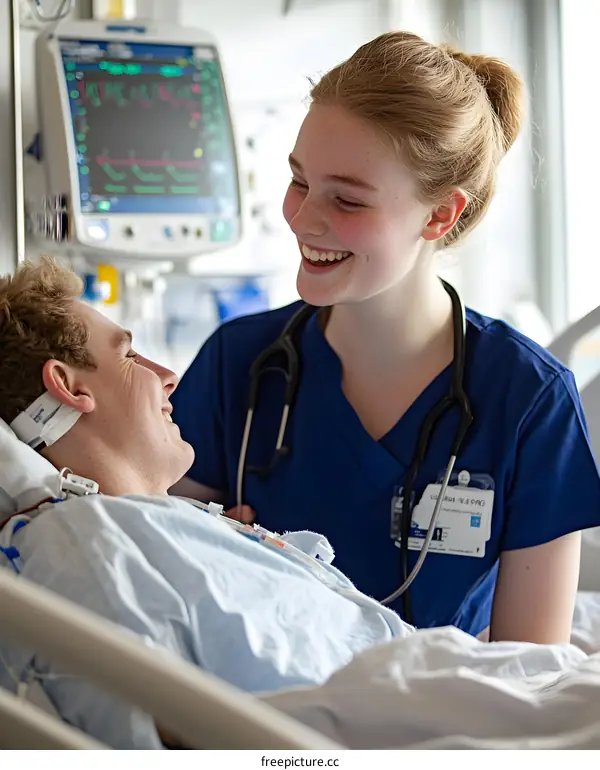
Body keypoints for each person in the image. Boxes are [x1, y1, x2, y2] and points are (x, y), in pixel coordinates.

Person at [170, 30, 600, 644]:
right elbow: (163, 582)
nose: (303, 218)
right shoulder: (237, 364)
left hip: (433, 727)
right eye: (299, 181)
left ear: (439, 215)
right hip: (256, 714)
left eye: (346, 199)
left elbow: (528, 674)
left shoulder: (529, 399)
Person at [0, 257, 407, 750]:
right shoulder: (80, 541)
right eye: (129, 357)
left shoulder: (152, 531)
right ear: (68, 387)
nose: (169, 376)